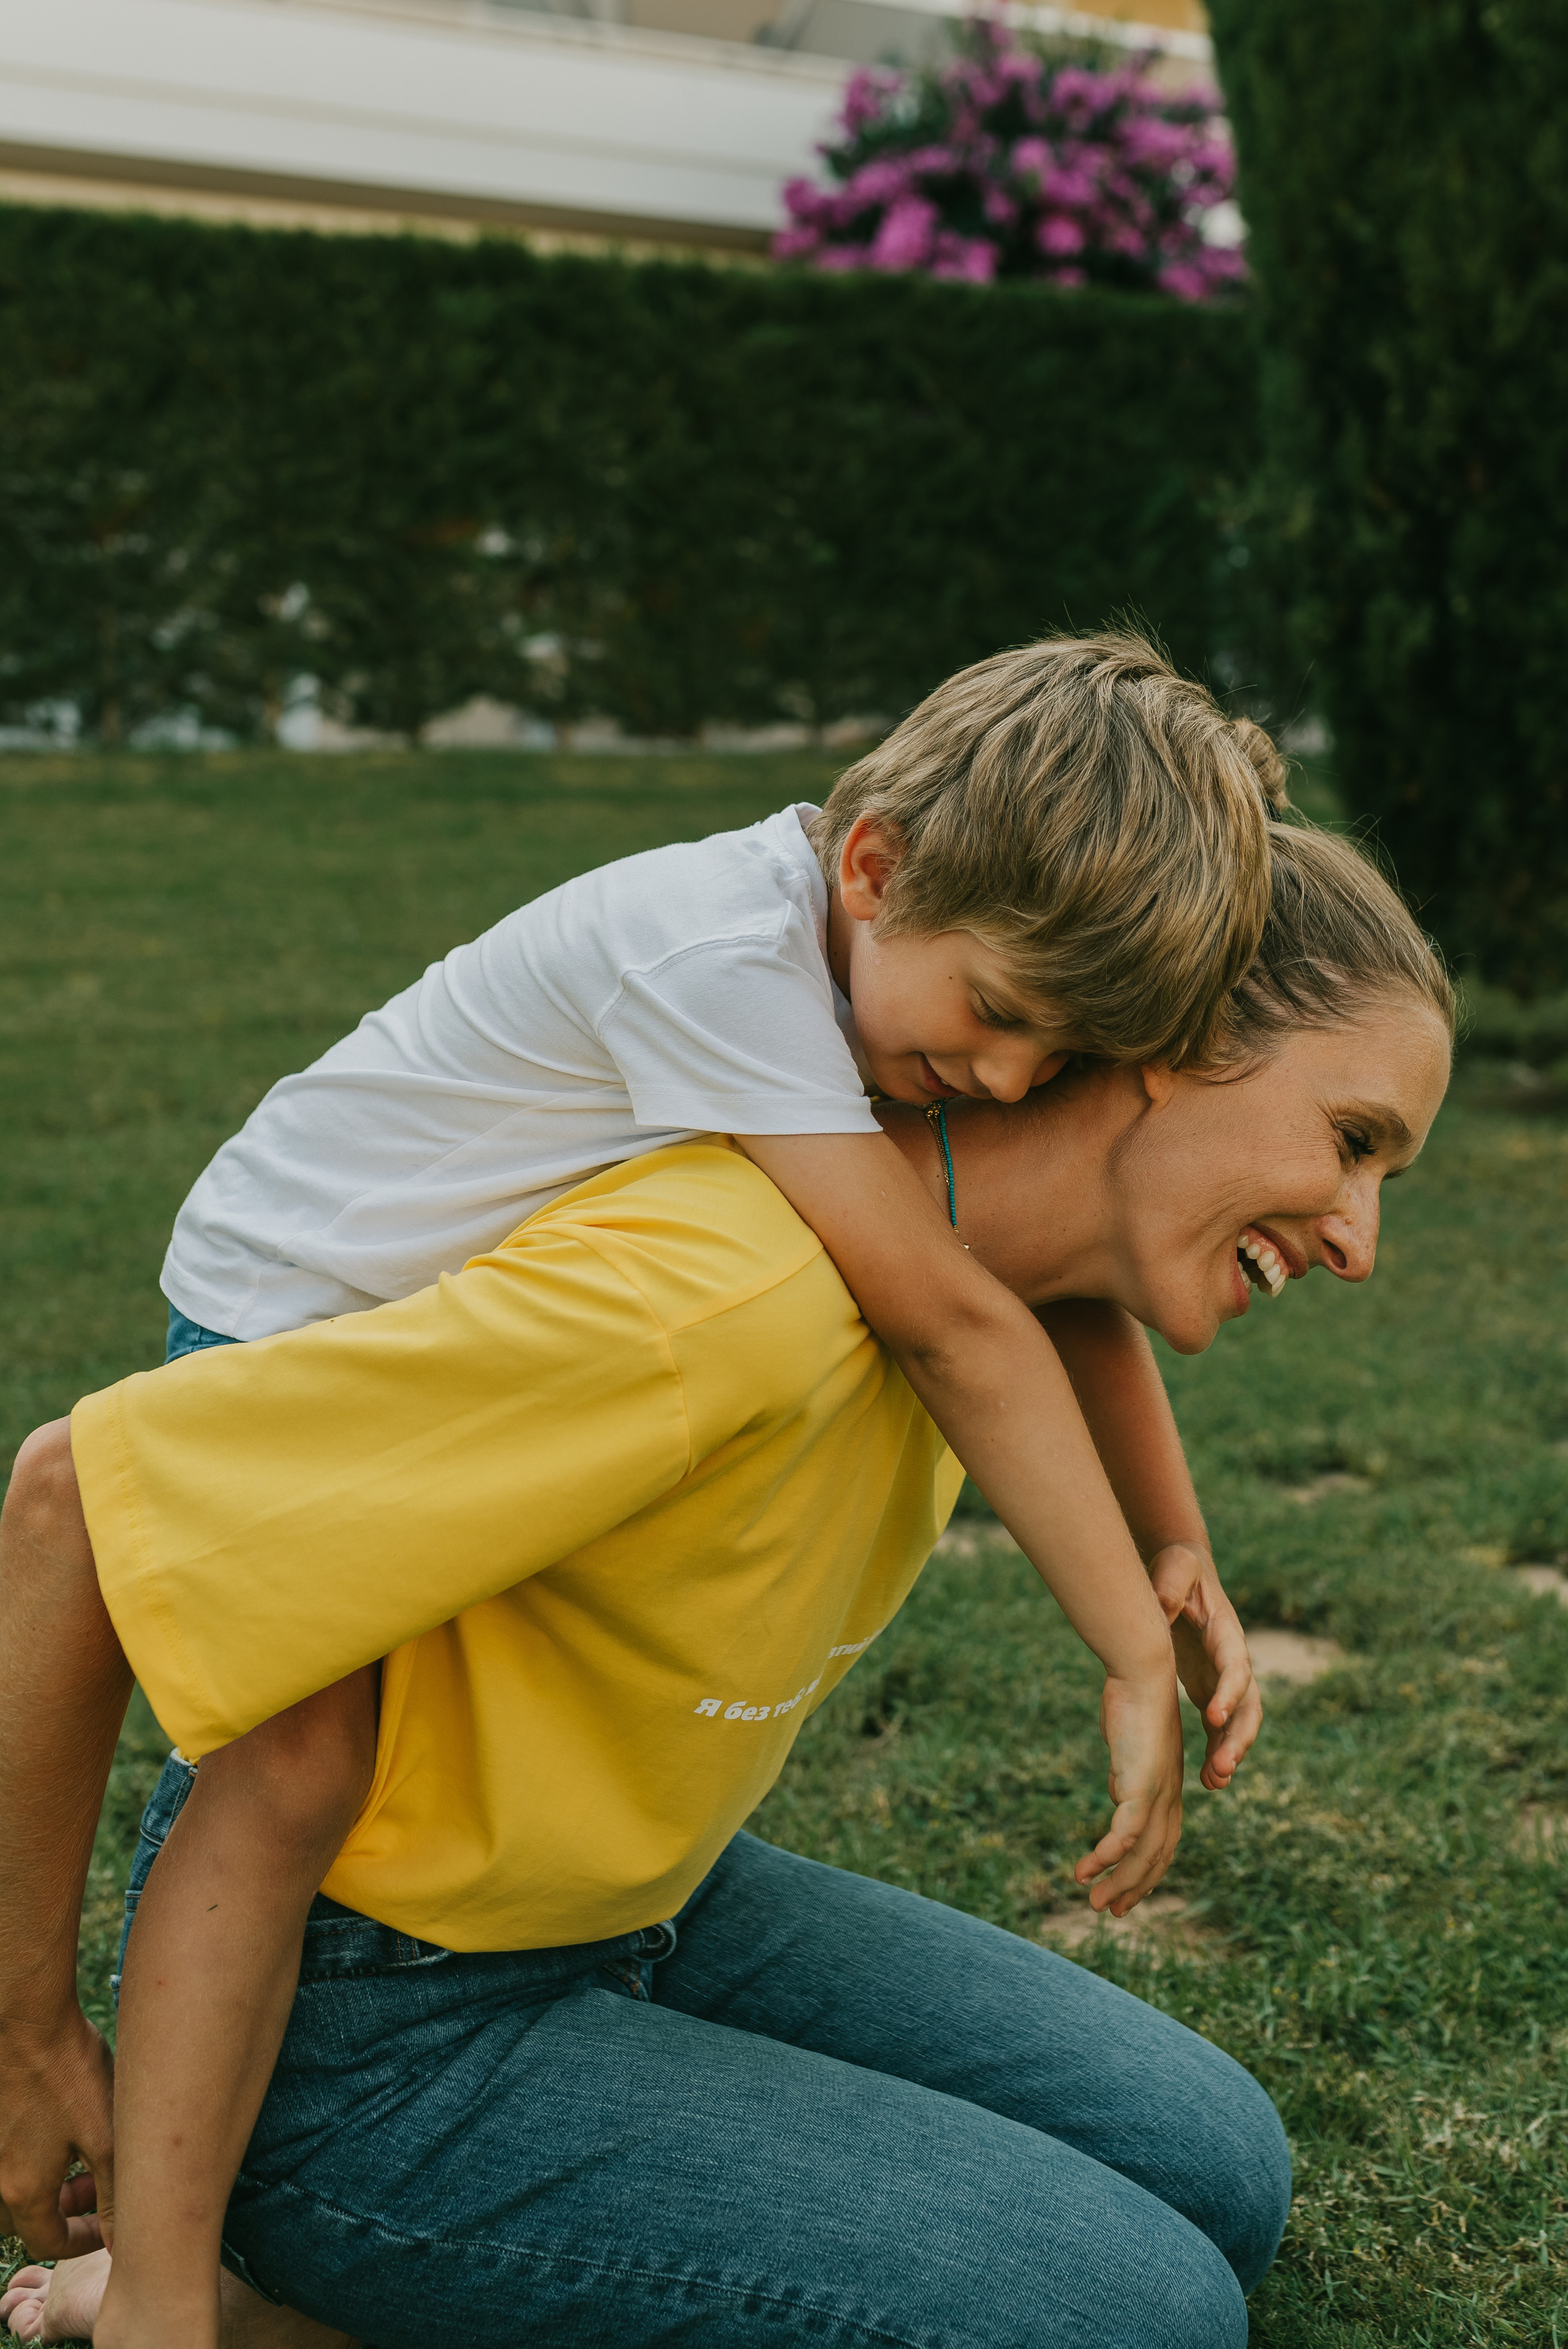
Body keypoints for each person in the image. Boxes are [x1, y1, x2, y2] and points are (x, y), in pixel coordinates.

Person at [0, 823, 1455, 2349]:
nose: (1358, 1240)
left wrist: (1166, 1556)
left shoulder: (980, 1287)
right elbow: (72, 1507)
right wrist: (26, 2027)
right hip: (370, 2029)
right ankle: (250, 2297)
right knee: (1134, 2317)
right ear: (1171, 1045)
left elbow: (1046, 1325)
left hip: (632, 1907)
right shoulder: (723, 1297)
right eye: (1350, 1144)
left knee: (1216, 2170)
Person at [148, 633, 1285, 1931]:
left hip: (451, 1318)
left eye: (1062, 1053)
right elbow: (952, 1320)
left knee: (422, 1740)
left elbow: (1059, 1290)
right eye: (1003, 1013)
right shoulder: (724, 961)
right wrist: (1128, 1652)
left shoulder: (876, 961)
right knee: (298, 1767)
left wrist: (1172, 1545)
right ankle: (144, 2094)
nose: (1013, 1083)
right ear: (874, 868)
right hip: (290, 1299)